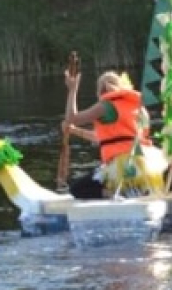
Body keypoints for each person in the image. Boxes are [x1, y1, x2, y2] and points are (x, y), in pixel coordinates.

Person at [62, 70, 166, 199]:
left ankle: (114, 195)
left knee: (77, 189)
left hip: (121, 166)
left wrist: (72, 89)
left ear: (101, 90)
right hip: (145, 163)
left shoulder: (105, 106)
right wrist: (74, 131)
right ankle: (134, 192)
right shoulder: (139, 108)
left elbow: (72, 118)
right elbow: (109, 138)